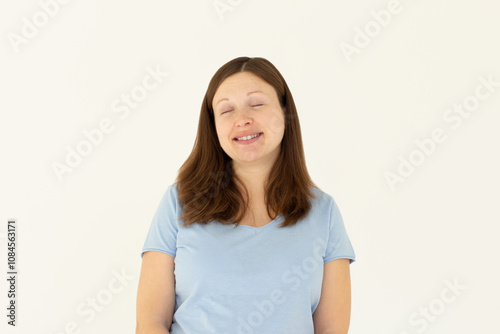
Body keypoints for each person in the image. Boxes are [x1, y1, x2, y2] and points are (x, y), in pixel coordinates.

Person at [135, 56, 356, 334]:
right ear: (213, 126)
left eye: (257, 104)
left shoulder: (324, 212)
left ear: (285, 112)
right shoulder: (178, 202)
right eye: (226, 110)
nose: (242, 120)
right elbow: (150, 322)